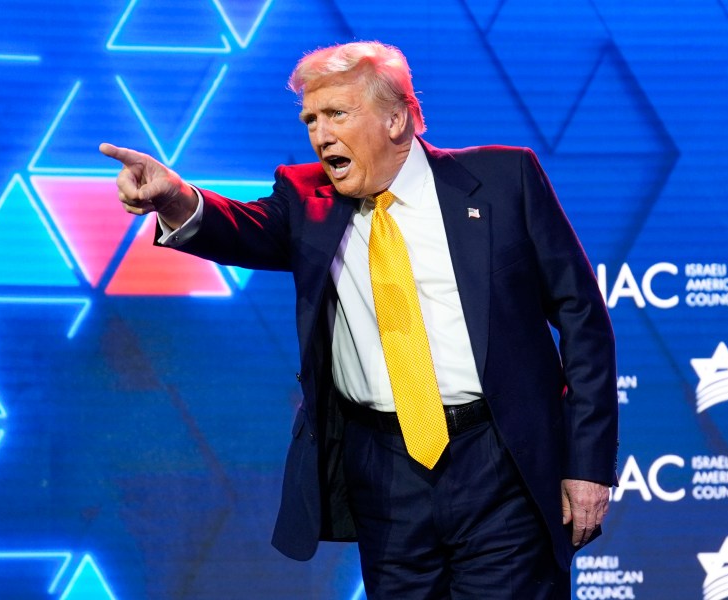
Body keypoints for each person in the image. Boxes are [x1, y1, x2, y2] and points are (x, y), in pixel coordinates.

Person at [100, 41, 618, 599]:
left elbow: (582, 320)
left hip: (500, 460)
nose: (320, 134)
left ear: (396, 118)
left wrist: (587, 464)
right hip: (384, 471)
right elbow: (238, 226)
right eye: (310, 119)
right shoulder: (307, 199)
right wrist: (175, 197)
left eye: (336, 115)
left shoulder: (502, 180)